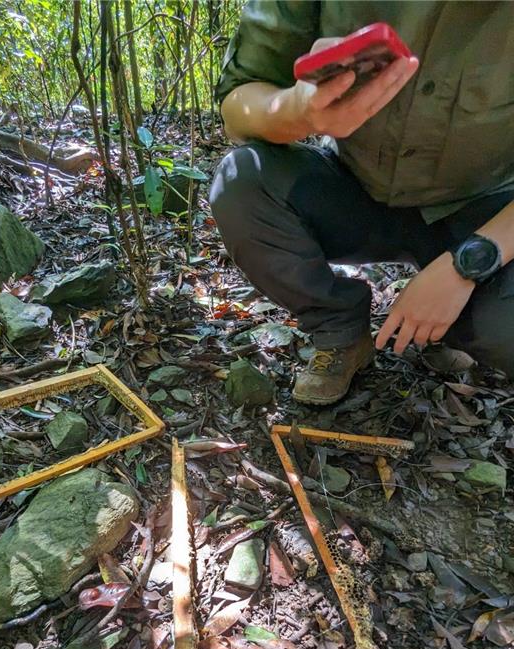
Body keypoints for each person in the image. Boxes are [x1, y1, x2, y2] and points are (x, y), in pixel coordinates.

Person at [210, 2, 514, 405]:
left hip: (481, 208)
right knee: (242, 184)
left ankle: (451, 330)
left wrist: (468, 265)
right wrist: (300, 113)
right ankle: (341, 332)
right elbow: (238, 104)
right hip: (352, 185)